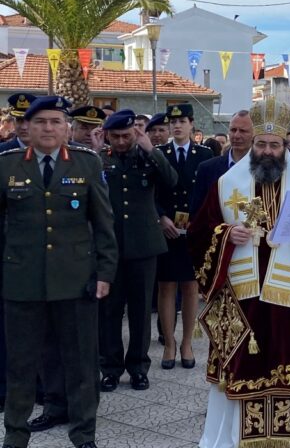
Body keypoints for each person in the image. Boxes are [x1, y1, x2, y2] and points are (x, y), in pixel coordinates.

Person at [188, 97, 290, 448]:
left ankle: (282, 442)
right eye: (262, 144)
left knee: (288, 375)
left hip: (289, 303)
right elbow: (197, 235)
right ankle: (228, 443)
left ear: (286, 147)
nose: (268, 151)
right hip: (243, 302)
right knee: (238, 378)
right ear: (251, 145)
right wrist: (226, 235)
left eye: (276, 144)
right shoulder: (225, 186)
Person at [0, 95, 118, 448]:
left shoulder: (86, 163)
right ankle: (15, 436)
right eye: (40, 122)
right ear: (28, 128)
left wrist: (104, 274)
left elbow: (103, 224)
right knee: (21, 366)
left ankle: (84, 435)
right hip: (22, 281)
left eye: (54, 122)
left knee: (82, 366)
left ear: (67, 128)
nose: (47, 128)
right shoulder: (6, 165)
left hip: (76, 280)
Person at [98, 110, 178, 394]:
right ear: (108, 135)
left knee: (142, 311)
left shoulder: (147, 157)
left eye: (126, 136)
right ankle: (110, 368)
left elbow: (171, 180)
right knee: (110, 311)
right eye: (116, 136)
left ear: (136, 134)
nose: (121, 141)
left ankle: (138, 368)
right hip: (110, 248)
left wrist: (151, 149)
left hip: (144, 246)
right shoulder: (100, 159)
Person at [156, 104, 213, 371]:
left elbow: (210, 193)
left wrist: (198, 221)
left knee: (191, 287)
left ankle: (187, 342)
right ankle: (169, 343)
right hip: (166, 228)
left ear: (192, 124)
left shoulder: (204, 154)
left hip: (193, 229)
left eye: (182, 121)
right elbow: (151, 191)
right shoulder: (160, 153)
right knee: (166, 286)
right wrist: (160, 217)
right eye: (173, 122)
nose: (177, 126)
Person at [191, 111, 254, 216]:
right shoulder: (207, 169)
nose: (236, 135)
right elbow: (197, 213)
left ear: (254, 134)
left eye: (243, 131)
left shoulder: (264, 169)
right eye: (233, 130)